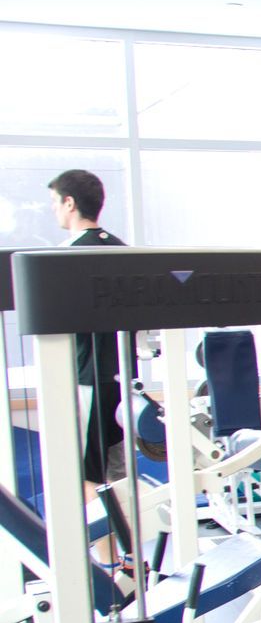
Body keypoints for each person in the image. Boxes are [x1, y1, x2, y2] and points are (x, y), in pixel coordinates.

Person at [48, 170, 128, 560]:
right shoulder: (122, 250)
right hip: (119, 384)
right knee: (113, 477)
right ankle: (125, 562)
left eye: (55, 202)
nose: (54, 211)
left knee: (88, 478)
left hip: (87, 383)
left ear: (70, 203)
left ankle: (113, 565)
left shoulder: (66, 257)